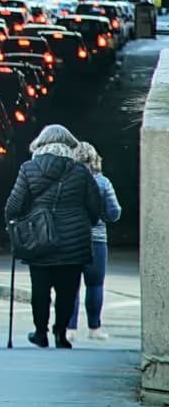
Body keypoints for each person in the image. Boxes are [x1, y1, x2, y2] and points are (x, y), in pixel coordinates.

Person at [4, 124, 103, 348]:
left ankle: (40, 332)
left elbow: (13, 205)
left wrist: (15, 227)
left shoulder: (28, 169)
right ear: (69, 145)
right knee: (67, 290)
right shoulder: (80, 171)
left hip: (40, 238)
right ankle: (61, 333)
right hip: (74, 240)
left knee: (40, 289)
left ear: (40, 144)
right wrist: (88, 223)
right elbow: (95, 207)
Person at [66, 142, 121, 341]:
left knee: (70, 285)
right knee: (95, 284)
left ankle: (69, 329)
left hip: (71, 239)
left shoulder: (65, 182)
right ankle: (94, 328)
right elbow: (114, 213)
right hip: (96, 240)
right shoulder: (103, 183)